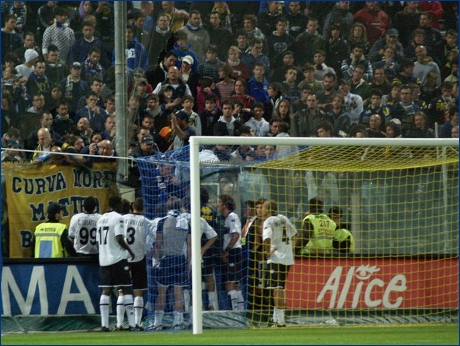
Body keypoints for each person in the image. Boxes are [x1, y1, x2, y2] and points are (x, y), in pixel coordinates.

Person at [97, 195, 136, 332]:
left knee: (106, 290)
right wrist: (130, 251)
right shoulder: (118, 218)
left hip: (104, 258)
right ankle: (132, 324)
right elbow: (119, 238)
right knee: (126, 288)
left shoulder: (101, 219)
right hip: (118, 258)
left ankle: (104, 325)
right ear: (118, 204)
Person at [150, 197, 189, 331]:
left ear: (168, 207)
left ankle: (157, 322)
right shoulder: (185, 222)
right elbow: (189, 245)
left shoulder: (162, 222)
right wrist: (189, 261)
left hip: (166, 259)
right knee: (178, 291)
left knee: (162, 292)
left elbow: (159, 243)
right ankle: (178, 321)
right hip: (180, 259)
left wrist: (157, 258)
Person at [262, 199, 297, 328]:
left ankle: (281, 321)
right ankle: (276, 319)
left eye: (263, 208)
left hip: (276, 259)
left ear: (267, 209)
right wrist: (289, 250)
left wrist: (267, 252)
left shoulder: (268, 221)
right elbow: (295, 235)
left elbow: (267, 239)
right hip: (287, 259)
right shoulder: (284, 219)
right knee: (280, 288)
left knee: (277, 290)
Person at [122, 197, 148, 330]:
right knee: (139, 291)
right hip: (139, 257)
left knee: (123, 290)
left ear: (133, 206)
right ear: (145, 208)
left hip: (124, 257)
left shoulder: (124, 218)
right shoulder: (145, 221)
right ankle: (137, 322)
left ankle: (120, 323)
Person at [217, 194, 244, 311]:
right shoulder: (226, 218)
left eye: (219, 202)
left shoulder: (232, 216)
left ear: (224, 205)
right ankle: (240, 309)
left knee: (230, 283)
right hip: (232, 252)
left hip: (233, 252)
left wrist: (226, 251)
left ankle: (235, 311)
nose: (217, 204)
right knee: (235, 283)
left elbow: (236, 234)